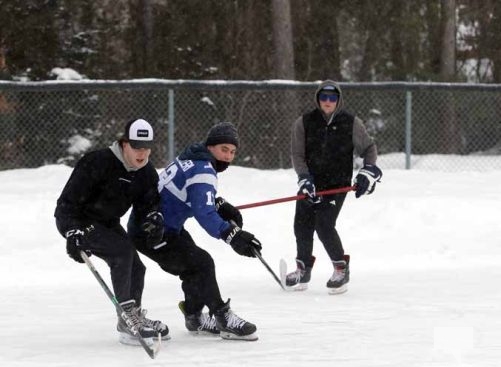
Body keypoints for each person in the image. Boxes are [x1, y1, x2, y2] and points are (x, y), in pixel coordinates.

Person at [127, 122, 262, 341]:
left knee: (194, 264)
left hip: (156, 226)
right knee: (202, 263)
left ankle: (194, 317)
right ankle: (223, 317)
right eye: (224, 149)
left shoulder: (190, 157)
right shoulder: (204, 170)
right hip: (153, 232)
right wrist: (232, 235)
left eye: (233, 152)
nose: (228, 156)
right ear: (210, 147)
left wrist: (218, 203)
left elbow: (188, 194)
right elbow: (203, 213)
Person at [54, 118, 169, 346]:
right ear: (124, 143)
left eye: (146, 147)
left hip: (107, 222)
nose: (142, 153)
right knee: (122, 252)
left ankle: (132, 314)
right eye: (136, 147)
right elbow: (65, 204)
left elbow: (150, 204)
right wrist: (72, 232)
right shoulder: (97, 162)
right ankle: (127, 321)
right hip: (79, 220)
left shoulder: (145, 172)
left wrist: (154, 219)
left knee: (137, 266)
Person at [285, 80, 382, 294]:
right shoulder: (303, 123)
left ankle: (341, 268)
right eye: (324, 97)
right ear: (318, 99)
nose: (327, 101)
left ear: (338, 100)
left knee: (324, 224)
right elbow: (297, 155)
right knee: (301, 224)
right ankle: (303, 269)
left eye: (332, 97)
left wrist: (367, 170)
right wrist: (304, 178)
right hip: (311, 183)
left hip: (336, 185)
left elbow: (369, 148)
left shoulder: (351, 122)